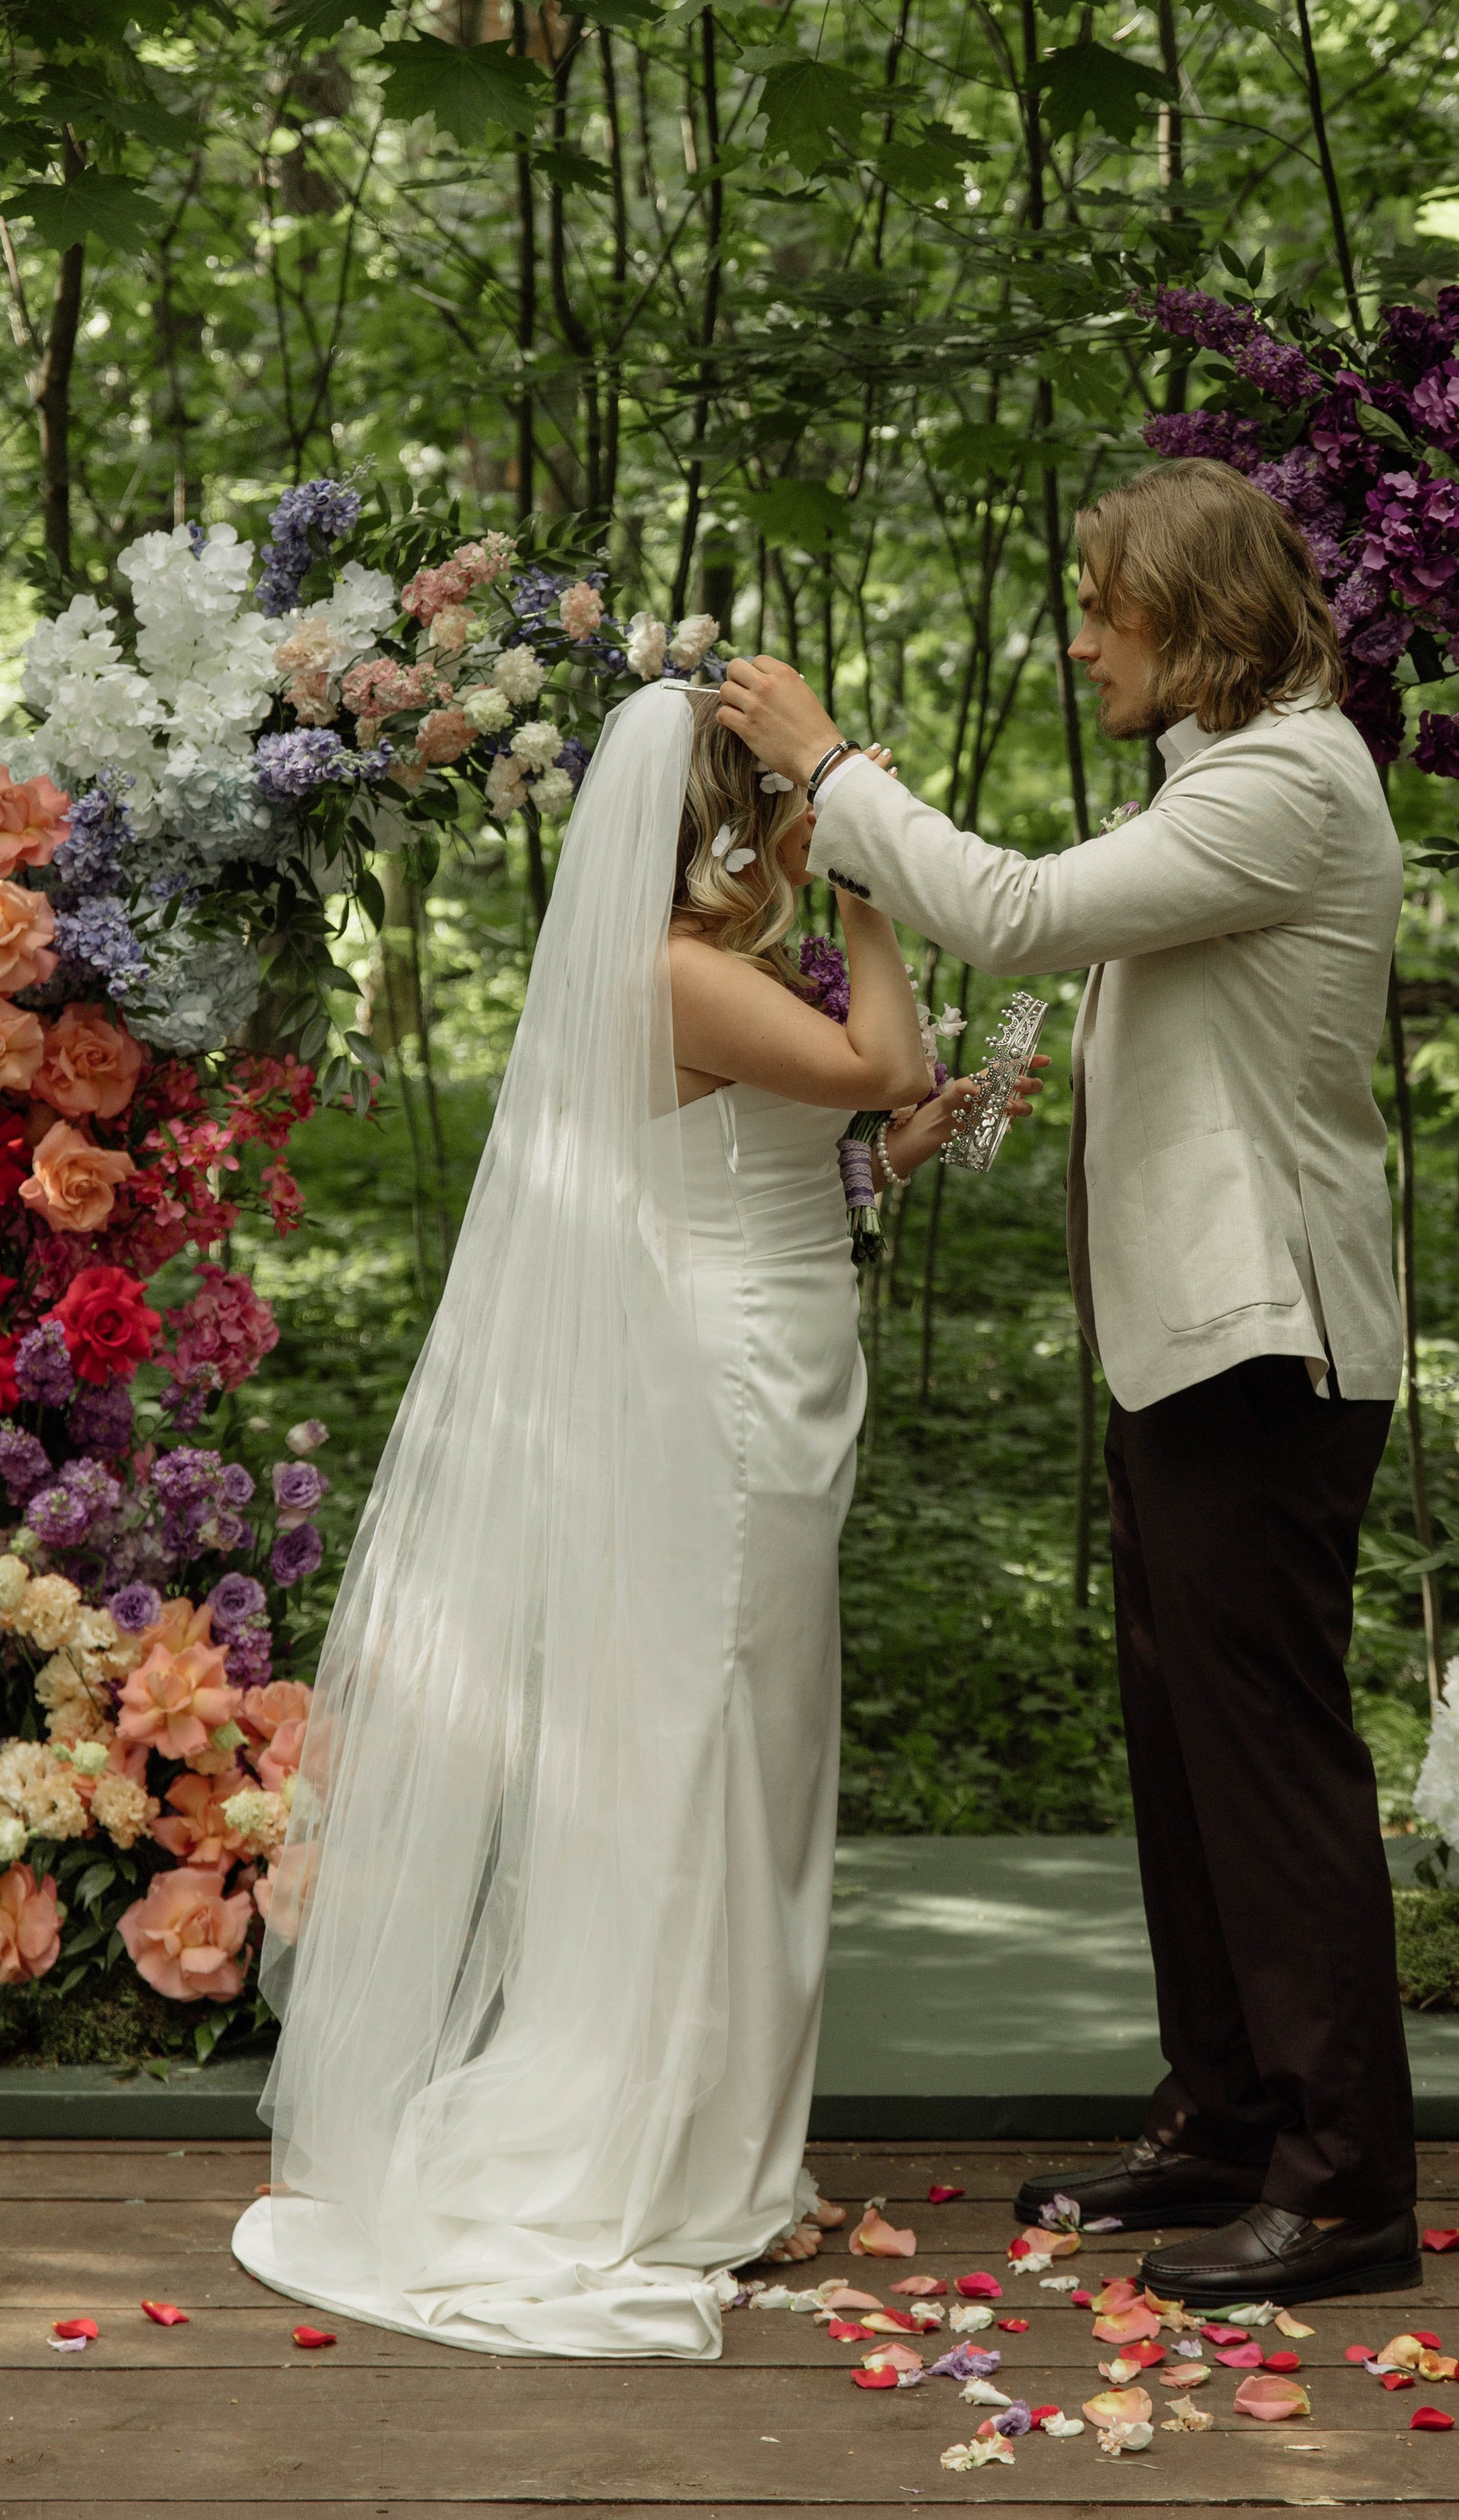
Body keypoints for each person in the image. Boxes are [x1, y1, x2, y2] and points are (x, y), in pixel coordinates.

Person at [717, 456, 1421, 2311]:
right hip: (1194, 1343)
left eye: (1105, 602)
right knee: (1186, 1756)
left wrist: (829, 758)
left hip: (1269, 1344)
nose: (1081, 634)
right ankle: (1225, 2123)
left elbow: (1014, 912)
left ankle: (1343, 2183)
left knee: (1263, 1762)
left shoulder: (1285, 779)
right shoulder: (1225, 785)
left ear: (1192, 620)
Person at [232, 682, 1007, 2359]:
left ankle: (726, 2136)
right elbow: (879, 1055)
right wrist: (870, 873)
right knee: (714, 1750)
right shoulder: (671, 971)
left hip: (771, 1357)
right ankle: (676, 2153)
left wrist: (881, 1167)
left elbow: (789, 1150)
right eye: (789, 805)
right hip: (726, 1394)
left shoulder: (697, 979)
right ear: (739, 823)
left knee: (751, 1746)